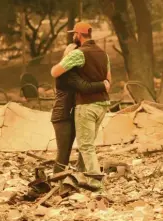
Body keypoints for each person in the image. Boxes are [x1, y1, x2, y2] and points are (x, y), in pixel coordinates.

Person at [51, 22, 111, 190]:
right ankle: (76, 179)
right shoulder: (103, 54)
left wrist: (67, 59)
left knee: (85, 147)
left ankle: (94, 181)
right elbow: (108, 80)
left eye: (74, 34)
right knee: (85, 146)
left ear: (78, 34)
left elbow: (54, 71)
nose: (73, 36)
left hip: (86, 105)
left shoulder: (78, 54)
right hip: (101, 104)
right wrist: (103, 85)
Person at [51, 54, 110, 174]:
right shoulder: (68, 73)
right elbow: (84, 86)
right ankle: (56, 180)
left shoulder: (74, 72)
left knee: (83, 147)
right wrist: (103, 85)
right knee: (63, 154)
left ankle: (78, 176)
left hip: (69, 114)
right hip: (62, 116)